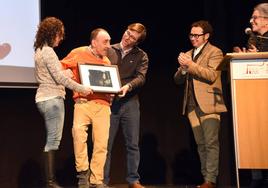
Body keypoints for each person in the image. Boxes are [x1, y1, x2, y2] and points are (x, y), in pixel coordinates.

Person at [34, 17, 92, 188]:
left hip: (45, 98)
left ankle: (50, 181)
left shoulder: (39, 50)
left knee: (52, 139)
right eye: (59, 35)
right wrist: (82, 88)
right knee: (53, 140)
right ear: (53, 33)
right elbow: (58, 78)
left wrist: (65, 73)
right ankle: (50, 182)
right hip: (52, 98)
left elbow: (52, 74)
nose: (60, 39)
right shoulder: (48, 51)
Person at [173, 20, 227, 188]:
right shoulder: (189, 53)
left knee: (211, 143)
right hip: (191, 105)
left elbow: (211, 75)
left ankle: (211, 180)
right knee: (201, 144)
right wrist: (182, 68)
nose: (193, 38)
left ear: (206, 36)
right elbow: (177, 80)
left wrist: (190, 65)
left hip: (209, 103)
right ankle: (206, 179)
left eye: (197, 35)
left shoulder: (215, 52)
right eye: (191, 35)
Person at [61, 28, 113, 188]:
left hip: (103, 105)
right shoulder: (78, 52)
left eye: (110, 41)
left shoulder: (107, 62)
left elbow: (108, 83)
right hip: (82, 102)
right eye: (105, 42)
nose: (109, 45)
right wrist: (67, 74)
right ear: (94, 42)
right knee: (78, 135)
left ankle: (97, 179)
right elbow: (60, 67)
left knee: (101, 143)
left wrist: (112, 92)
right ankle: (83, 174)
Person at [104, 23, 149, 188]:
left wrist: (128, 86)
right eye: (127, 33)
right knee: (105, 144)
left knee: (132, 144)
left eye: (132, 37)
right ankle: (102, 181)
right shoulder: (109, 49)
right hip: (109, 103)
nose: (127, 37)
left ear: (137, 42)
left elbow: (141, 77)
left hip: (130, 103)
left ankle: (133, 180)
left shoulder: (141, 56)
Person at [234, 3, 268, 188]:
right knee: (254, 133)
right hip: (254, 99)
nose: (251, 21)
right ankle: (257, 177)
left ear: (266, 20)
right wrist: (244, 57)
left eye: (255, 17)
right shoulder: (253, 39)